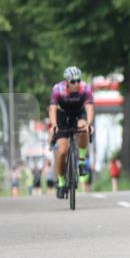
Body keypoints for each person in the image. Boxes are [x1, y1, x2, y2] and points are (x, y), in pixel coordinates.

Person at [48, 66, 94, 199]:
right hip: (62, 115)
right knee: (62, 151)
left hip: (79, 113)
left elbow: (90, 108)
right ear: (66, 82)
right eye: (73, 82)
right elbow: (52, 110)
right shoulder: (58, 89)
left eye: (78, 80)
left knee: (84, 127)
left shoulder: (85, 89)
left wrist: (89, 124)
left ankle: (81, 162)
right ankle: (61, 182)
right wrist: (54, 125)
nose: (77, 84)